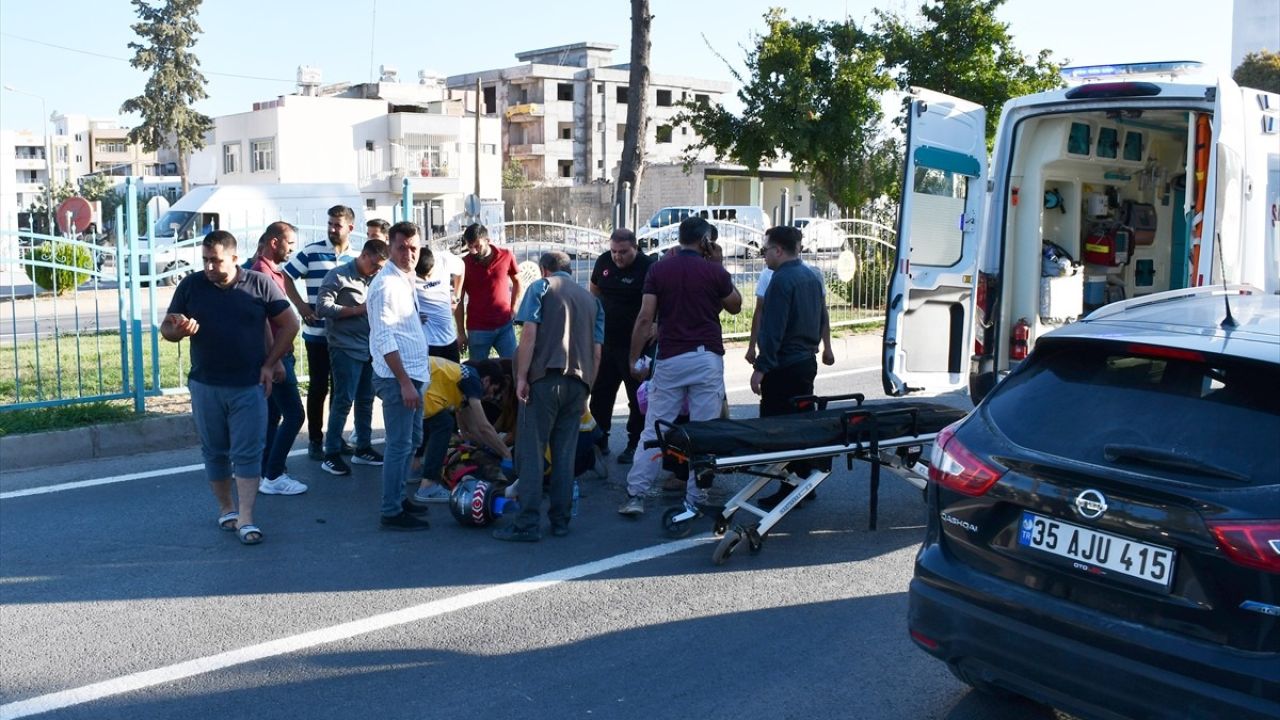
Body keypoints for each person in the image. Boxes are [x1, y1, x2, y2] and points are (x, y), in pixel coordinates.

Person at [161, 230, 300, 546]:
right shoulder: (191, 285)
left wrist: (270, 363)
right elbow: (166, 329)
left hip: (249, 385)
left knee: (248, 452)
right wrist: (178, 329)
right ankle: (227, 509)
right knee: (215, 451)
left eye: (216, 261)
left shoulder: (258, 284)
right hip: (205, 384)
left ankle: (247, 518)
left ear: (235, 259)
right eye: (206, 260)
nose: (210, 267)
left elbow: (290, 324)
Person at [618, 217, 741, 517]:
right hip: (706, 357)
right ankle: (696, 497)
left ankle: (636, 494)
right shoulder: (713, 271)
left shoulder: (659, 269)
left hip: (671, 357)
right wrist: (719, 263)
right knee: (703, 430)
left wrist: (634, 358)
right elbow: (736, 305)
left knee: (654, 427)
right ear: (705, 242)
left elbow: (645, 318)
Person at [493, 251, 604, 542]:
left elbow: (529, 334)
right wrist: (587, 389)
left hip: (544, 380)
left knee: (531, 453)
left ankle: (527, 523)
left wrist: (520, 377)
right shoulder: (592, 301)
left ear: (545, 270)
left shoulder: (541, 288)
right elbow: (596, 351)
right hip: (578, 384)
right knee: (564, 454)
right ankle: (561, 520)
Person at [750, 225, 834, 508]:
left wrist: (761, 368)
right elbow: (822, 314)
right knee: (800, 425)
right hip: (805, 363)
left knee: (779, 431)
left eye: (765, 250)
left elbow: (773, 330)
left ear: (778, 250)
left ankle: (789, 488)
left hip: (783, 366)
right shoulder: (811, 276)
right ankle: (803, 482)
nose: (763, 256)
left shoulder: (782, 280)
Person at [367, 222, 433, 530]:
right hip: (398, 379)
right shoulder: (385, 285)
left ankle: (398, 497)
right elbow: (383, 338)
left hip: (414, 375)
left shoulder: (404, 278)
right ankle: (391, 510)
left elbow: (398, 326)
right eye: (401, 247)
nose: (409, 254)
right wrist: (405, 383)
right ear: (390, 248)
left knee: (411, 441)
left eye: (414, 248)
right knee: (398, 444)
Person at [282, 205, 361, 460]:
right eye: (330, 223)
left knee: (340, 390)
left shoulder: (356, 258)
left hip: (344, 337)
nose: (332, 229)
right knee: (318, 387)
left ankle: (335, 439)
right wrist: (301, 305)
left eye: (337, 225)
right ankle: (315, 440)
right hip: (316, 334)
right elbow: (287, 276)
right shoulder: (312, 252)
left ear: (350, 227)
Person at [315, 238, 390, 476]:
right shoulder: (338, 276)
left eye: (381, 267)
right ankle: (332, 453)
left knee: (366, 399)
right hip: (345, 347)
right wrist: (356, 310)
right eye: (375, 265)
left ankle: (363, 448)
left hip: (369, 348)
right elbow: (322, 308)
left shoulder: (376, 279)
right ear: (364, 256)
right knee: (343, 400)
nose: (378, 270)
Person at [250, 222, 309, 496]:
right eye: (290, 244)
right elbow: (262, 322)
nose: (292, 250)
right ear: (275, 242)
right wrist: (274, 362)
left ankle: (267, 472)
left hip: (275, 356)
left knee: (273, 415)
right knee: (295, 414)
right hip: (275, 356)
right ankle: (273, 475)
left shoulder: (270, 271)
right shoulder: (261, 273)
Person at [588, 228, 653, 465]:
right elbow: (594, 291)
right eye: (614, 251)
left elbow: (660, 301)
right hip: (606, 342)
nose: (617, 257)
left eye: (623, 252)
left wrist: (656, 324)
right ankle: (599, 439)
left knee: (637, 397)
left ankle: (635, 443)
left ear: (635, 247)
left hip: (636, 345)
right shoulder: (604, 261)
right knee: (601, 393)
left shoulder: (648, 266)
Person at [409, 357, 512, 504]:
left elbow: (472, 429)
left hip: (417, 380)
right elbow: (483, 426)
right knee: (444, 424)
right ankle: (428, 486)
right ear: (487, 381)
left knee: (433, 421)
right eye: (493, 391)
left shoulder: (464, 381)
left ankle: (414, 469)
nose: (489, 397)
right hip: (419, 382)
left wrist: (485, 446)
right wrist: (506, 454)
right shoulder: (474, 381)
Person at [455, 223, 521, 360]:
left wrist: (513, 308)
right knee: (479, 373)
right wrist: (461, 333)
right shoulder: (463, 264)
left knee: (513, 365)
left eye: (477, 246)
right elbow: (458, 300)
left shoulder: (506, 255)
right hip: (478, 329)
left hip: (505, 326)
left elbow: (517, 282)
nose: (473, 250)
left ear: (487, 241)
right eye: (470, 246)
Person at [414, 246, 461, 362]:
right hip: (427, 343)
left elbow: (461, 269)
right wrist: (413, 317)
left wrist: (457, 294)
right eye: (421, 277)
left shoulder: (444, 259)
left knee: (455, 377)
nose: (426, 279)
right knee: (432, 379)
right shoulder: (405, 270)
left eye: (429, 275)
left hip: (450, 338)